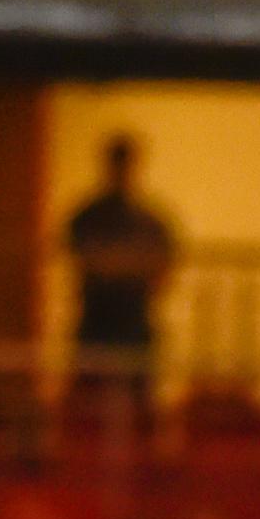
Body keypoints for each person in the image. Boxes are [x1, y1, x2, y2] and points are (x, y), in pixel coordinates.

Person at [65, 136, 178, 359]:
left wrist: (115, 266)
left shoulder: (149, 222)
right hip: (99, 320)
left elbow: (161, 271)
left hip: (130, 320)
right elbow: (85, 259)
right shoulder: (88, 218)